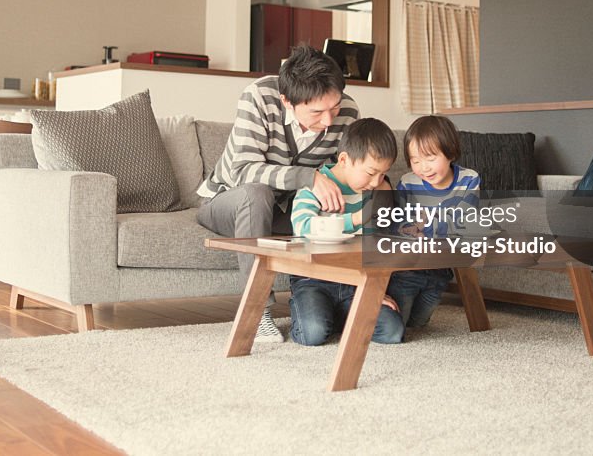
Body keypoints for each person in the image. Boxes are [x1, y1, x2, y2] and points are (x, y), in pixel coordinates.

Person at [197, 44, 359, 342]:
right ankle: (257, 310)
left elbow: (343, 174)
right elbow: (244, 170)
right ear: (287, 101)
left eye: (333, 108)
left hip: (288, 212)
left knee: (340, 206)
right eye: (317, 111)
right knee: (256, 193)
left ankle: (345, 296)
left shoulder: (347, 113)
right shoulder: (259, 97)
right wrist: (308, 177)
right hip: (229, 201)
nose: (328, 121)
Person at [288, 118, 404, 346]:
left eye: (383, 174)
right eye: (371, 172)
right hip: (314, 280)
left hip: (356, 282)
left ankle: (340, 315)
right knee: (313, 333)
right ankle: (314, 310)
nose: (376, 181)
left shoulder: (376, 191)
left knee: (392, 331)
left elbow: (379, 246)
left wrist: (377, 288)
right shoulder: (316, 187)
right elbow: (303, 227)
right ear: (344, 160)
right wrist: (357, 218)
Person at [386, 115, 481, 330]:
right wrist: (410, 229)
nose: (423, 168)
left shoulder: (469, 179)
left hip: (440, 272)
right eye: (415, 160)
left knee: (419, 324)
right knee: (399, 325)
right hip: (407, 271)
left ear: (450, 152)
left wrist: (426, 226)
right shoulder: (408, 182)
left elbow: (464, 220)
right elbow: (396, 220)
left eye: (430, 158)